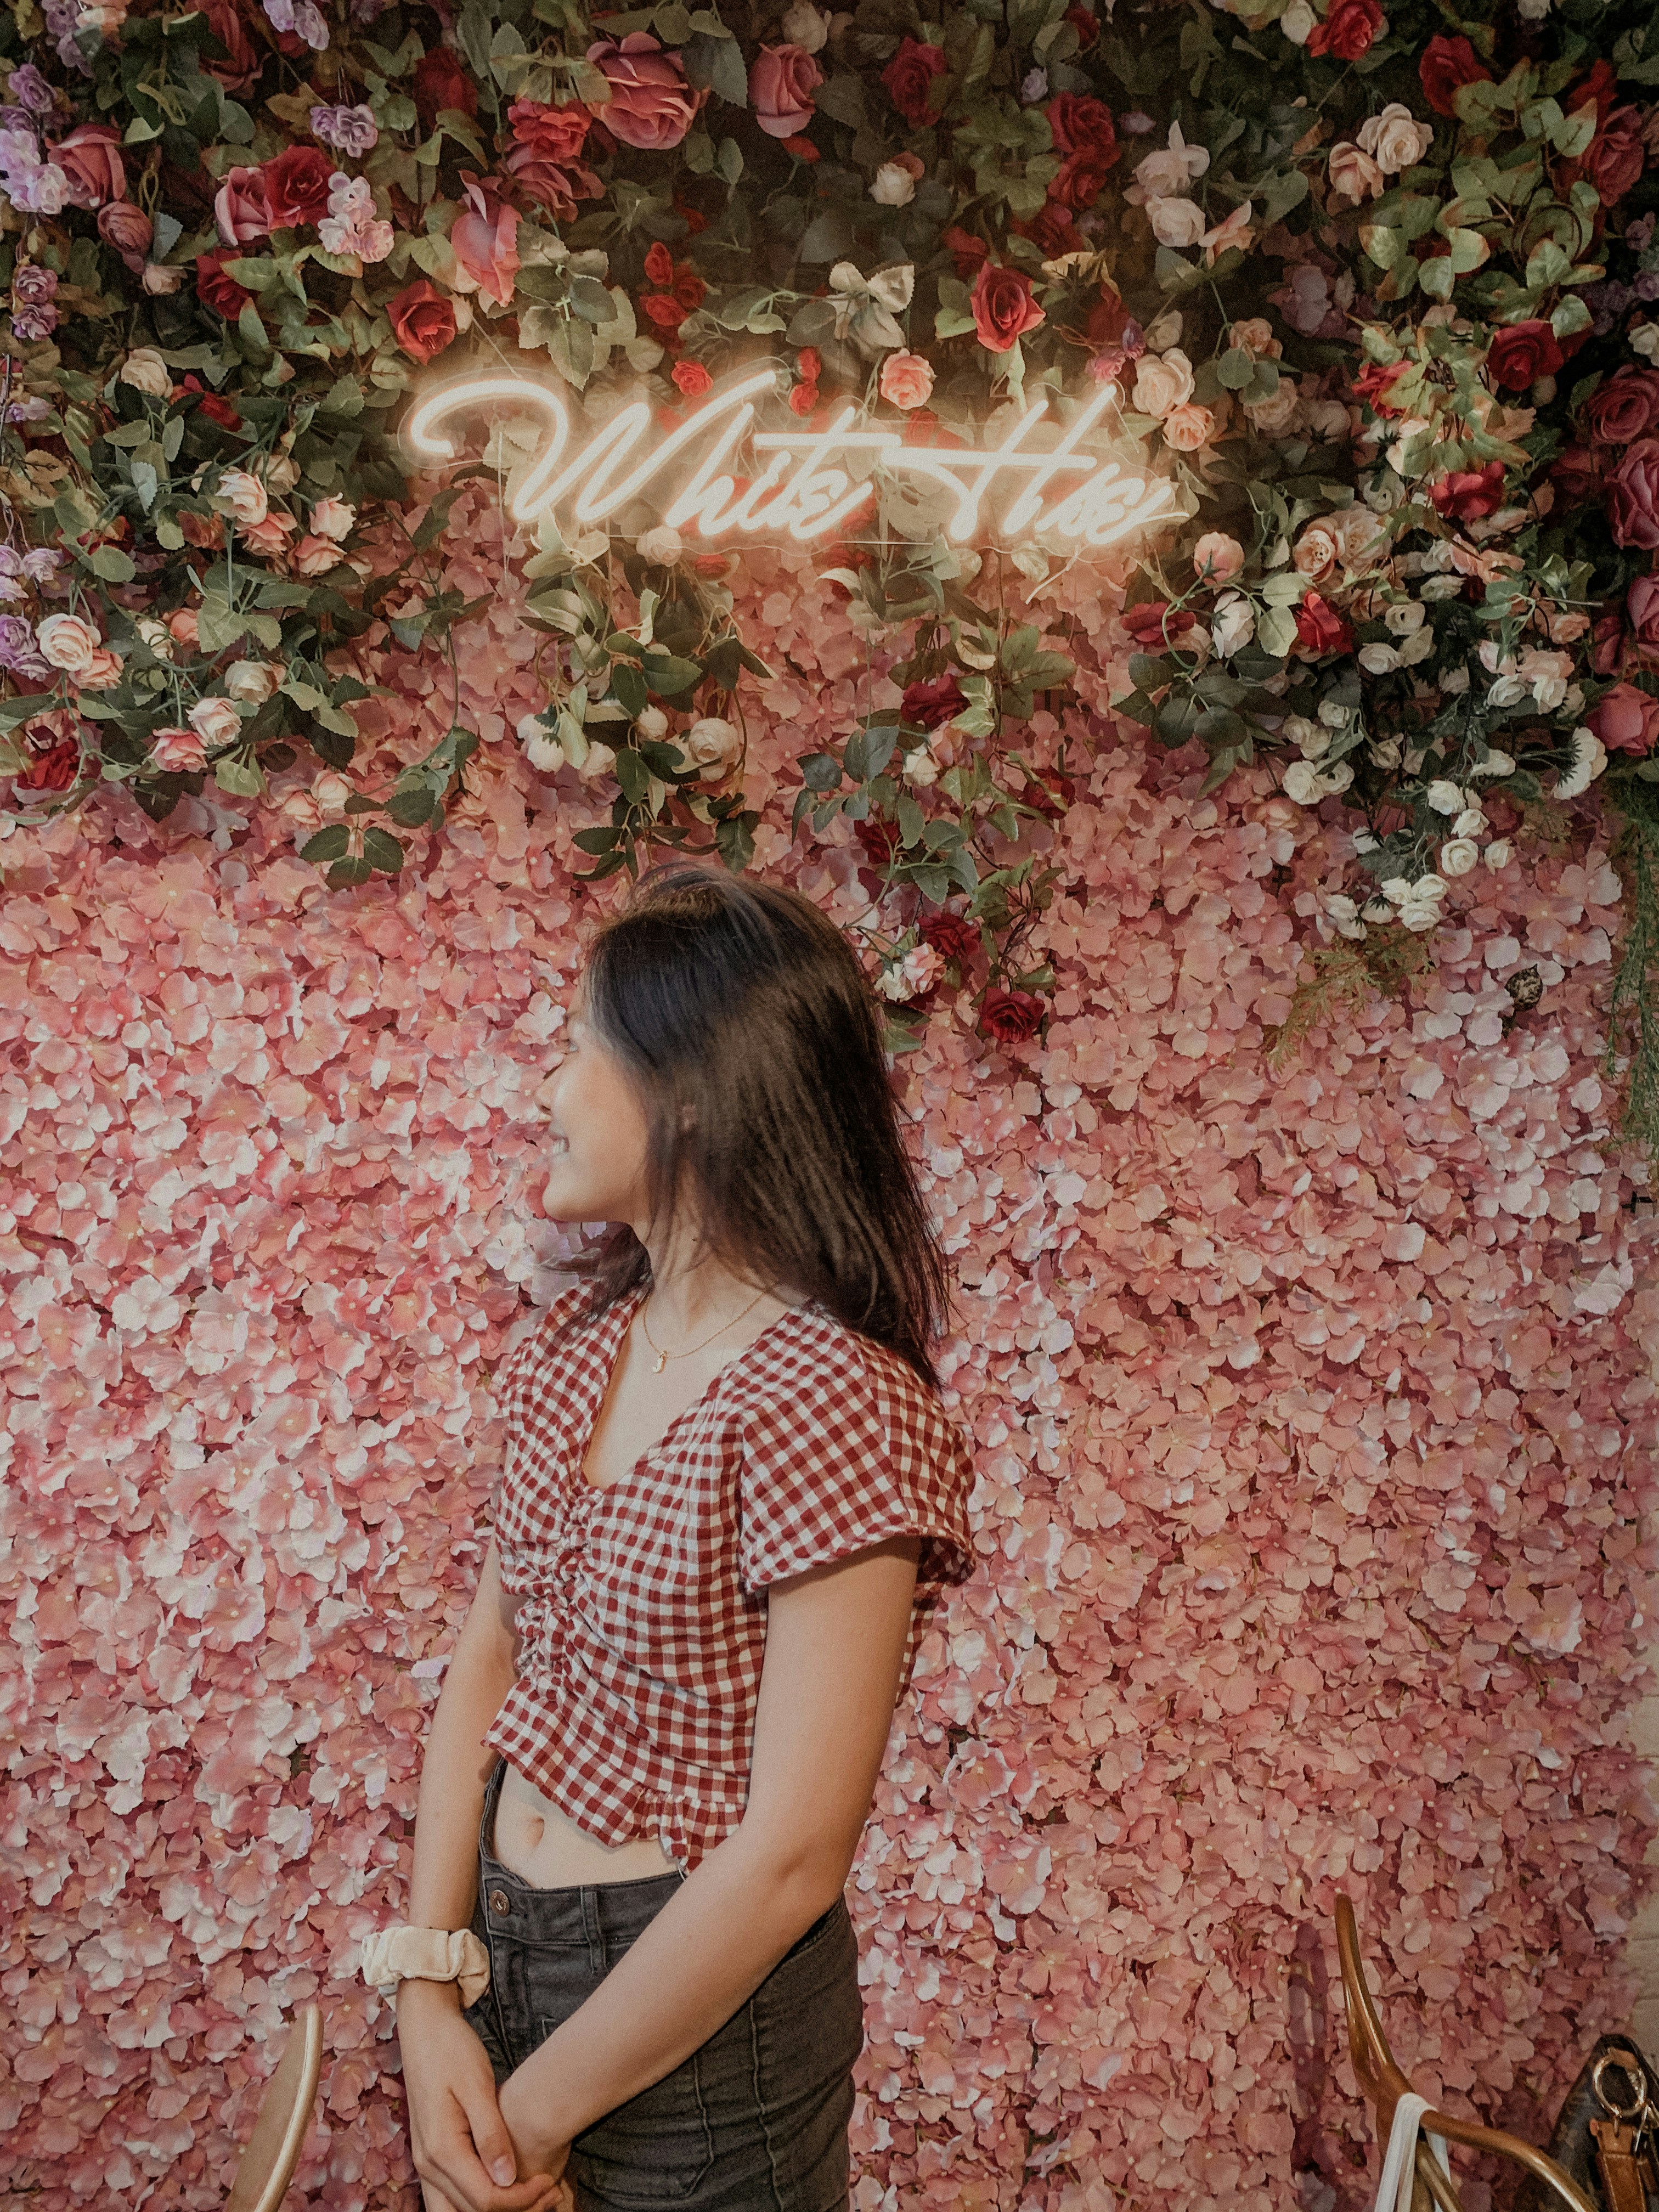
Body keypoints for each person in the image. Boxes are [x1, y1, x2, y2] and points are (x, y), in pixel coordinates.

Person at [371, 867, 975, 2212]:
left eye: (580, 1048)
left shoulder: (832, 1396)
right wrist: (426, 1983)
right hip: (502, 1960)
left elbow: (790, 1856)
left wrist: (532, 2115)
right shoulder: (572, 1352)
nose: (547, 1092)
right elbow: (491, 1661)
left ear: (691, 1087)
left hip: (703, 2039)